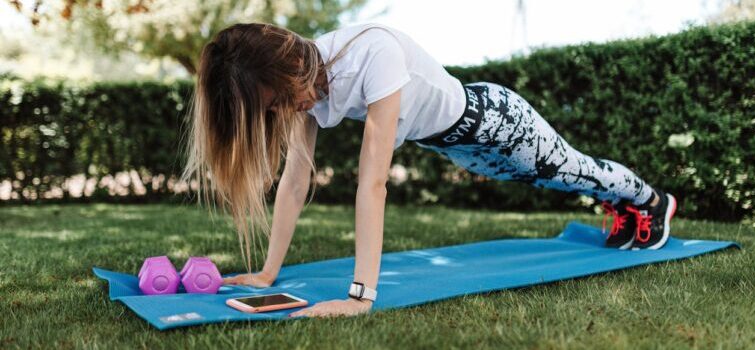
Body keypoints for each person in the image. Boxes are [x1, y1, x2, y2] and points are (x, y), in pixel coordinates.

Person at [182, 22, 677, 318]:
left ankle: (651, 201)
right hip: (459, 149)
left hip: (498, 123)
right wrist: (269, 273)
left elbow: (373, 183)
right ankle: (622, 202)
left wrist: (361, 296)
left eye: (277, 102)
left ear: (289, 72)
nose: (284, 112)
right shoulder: (305, 81)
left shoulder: (373, 54)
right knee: (551, 180)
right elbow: (294, 181)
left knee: (572, 171)